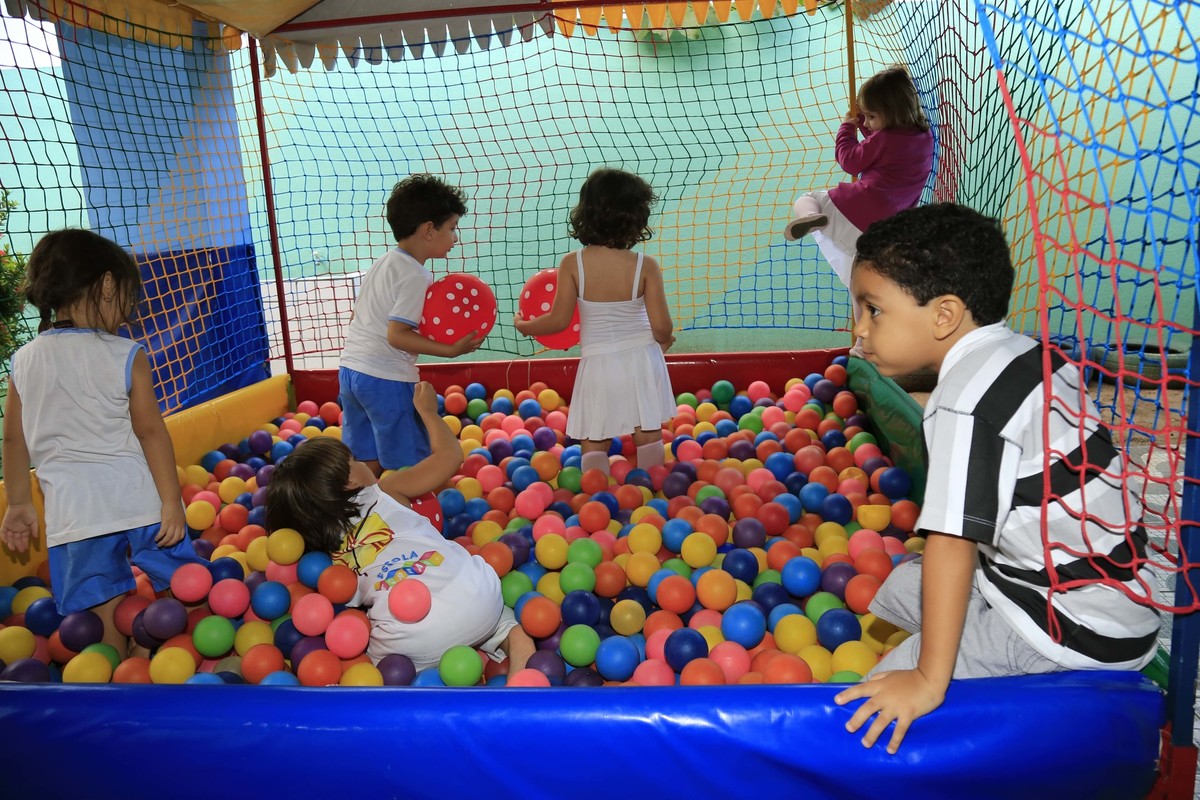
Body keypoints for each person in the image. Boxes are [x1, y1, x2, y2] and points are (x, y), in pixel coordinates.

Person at [833, 203, 1159, 753]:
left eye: (873, 310)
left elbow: (953, 542)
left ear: (944, 315)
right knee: (897, 586)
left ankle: (949, 688)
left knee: (874, 701)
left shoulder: (963, 405)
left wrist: (926, 680)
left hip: (1069, 630)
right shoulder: (1030, 354)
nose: (858, 330)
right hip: (1115, 597)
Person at [0, 229, 205, 654]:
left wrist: (19, 503)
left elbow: (14, 440)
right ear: (107, 284)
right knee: (184, 579)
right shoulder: (125, 353)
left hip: (74, 513)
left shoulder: (24, 360)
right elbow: (151, 432)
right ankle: (189, 650)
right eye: (129, 296)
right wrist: (171, 500)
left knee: (101, 606)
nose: (128, 310)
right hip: (136, 499)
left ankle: (119, 672)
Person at [265, 381, 534, 679]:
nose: (361, 460)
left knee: (361, 665)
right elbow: (450, 457)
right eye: (353, 459)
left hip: (412, 644)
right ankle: (520, 674)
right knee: (507, 623)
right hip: (478, 600)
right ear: (350, 483)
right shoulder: (386, 490)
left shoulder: (322, 550)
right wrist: (428, 413)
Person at [514, 167, 676, 475]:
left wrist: (526, 326)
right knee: (647, 429)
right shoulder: (645, 266)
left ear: (586, 214)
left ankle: (594, 487)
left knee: (595, 432)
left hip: (599, 361)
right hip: (641, 358)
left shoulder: (573, 263)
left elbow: (558, 320)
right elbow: (662, 327)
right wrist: (663, 341)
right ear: (637, 218)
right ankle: (655, 488)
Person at [338, 174, 485, 477]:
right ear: (429, 230)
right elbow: (397, 335)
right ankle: (415, 514)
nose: (455, 238)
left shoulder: (384, 261)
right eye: (452, 228)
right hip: (385, 378)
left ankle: (364, 509)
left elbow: (360, 317)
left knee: (365, 454)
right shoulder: (416, 275)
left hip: (350, 370)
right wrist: (450, 349)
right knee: (408, 460)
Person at [784, 65, 934, 347]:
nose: (869, 122)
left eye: (873, 117)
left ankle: (813, 216)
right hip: (884, 231)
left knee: (808, 199)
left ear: (890, 114)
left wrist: (847, 128)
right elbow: (881, 145)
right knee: (863, 290)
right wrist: (866, 123)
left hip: (854, 208)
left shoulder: (884, 138)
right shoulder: (922, 139)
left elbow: (851, 160)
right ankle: (864, 349)